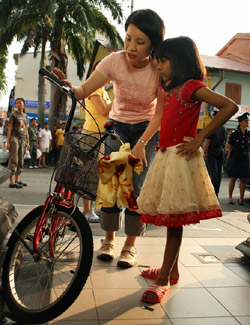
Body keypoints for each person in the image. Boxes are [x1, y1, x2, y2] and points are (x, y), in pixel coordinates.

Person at [54, 9, 165, 267]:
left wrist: (141, 144)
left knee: (135, 191)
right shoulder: (114, 61)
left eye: (140, 42)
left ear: (153, 45)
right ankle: (109, 240)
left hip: (147, 129)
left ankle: (131, 245)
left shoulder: (158, 68)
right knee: (112, 185)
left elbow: (160, 112)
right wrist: (70, 87)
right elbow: (83, 89)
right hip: (117, 126)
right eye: (128, 38)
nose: (131, 47)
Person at [131, 36, 238, 303]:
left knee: (175, 221)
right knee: (170, 220)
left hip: (180, 159)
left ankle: (164, 277)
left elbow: (230, 106)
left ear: (179, 60)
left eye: (163, 61)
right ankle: (172, 269)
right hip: (168, 157)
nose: (159, 67)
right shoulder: (171, 89)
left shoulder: (192, 86)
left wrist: (201, 137)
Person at [82, 61, 112, 223]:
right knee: (89, 173)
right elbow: (103, 110)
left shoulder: (103, 91)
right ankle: (86, 210)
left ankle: (94, 208)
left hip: (101, 135)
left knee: (100, 174)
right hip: (91, 135)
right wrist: (121, 98)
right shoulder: (93, 88)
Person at [227, 112, 250, 205]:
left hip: (245, 157)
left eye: (248, 121)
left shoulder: (249, 134)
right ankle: (230, 197)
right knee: (233, 178)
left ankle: (241, 199)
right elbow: (230, 145)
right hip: (236, 157)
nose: (247, 123)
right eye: (245, 121)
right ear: (240, 122)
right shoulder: (234, 134)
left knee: (243, 179)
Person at [203, 110, 227, 196]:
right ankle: (217, 191)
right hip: (220, 150)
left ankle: (213, 191)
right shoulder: (224, 127)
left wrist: (205, 151)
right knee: (219, 172)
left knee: (213, 171)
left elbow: (208, 141)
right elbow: (225, 141)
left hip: (212, 151)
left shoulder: (213, 127)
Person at [7, 98, 30, 188]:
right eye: (16, 103)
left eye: (20, 103)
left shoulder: (25, 116)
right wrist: (8, 142)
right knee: (14, 159)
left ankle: (17, 179)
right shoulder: (13, 115)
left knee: (21, 160)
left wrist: (27, 142)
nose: (18, 105)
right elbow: (9, 128)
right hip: (14, 138)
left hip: (23, 139)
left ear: (24, 104)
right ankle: (11, 181)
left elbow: (26, 130)